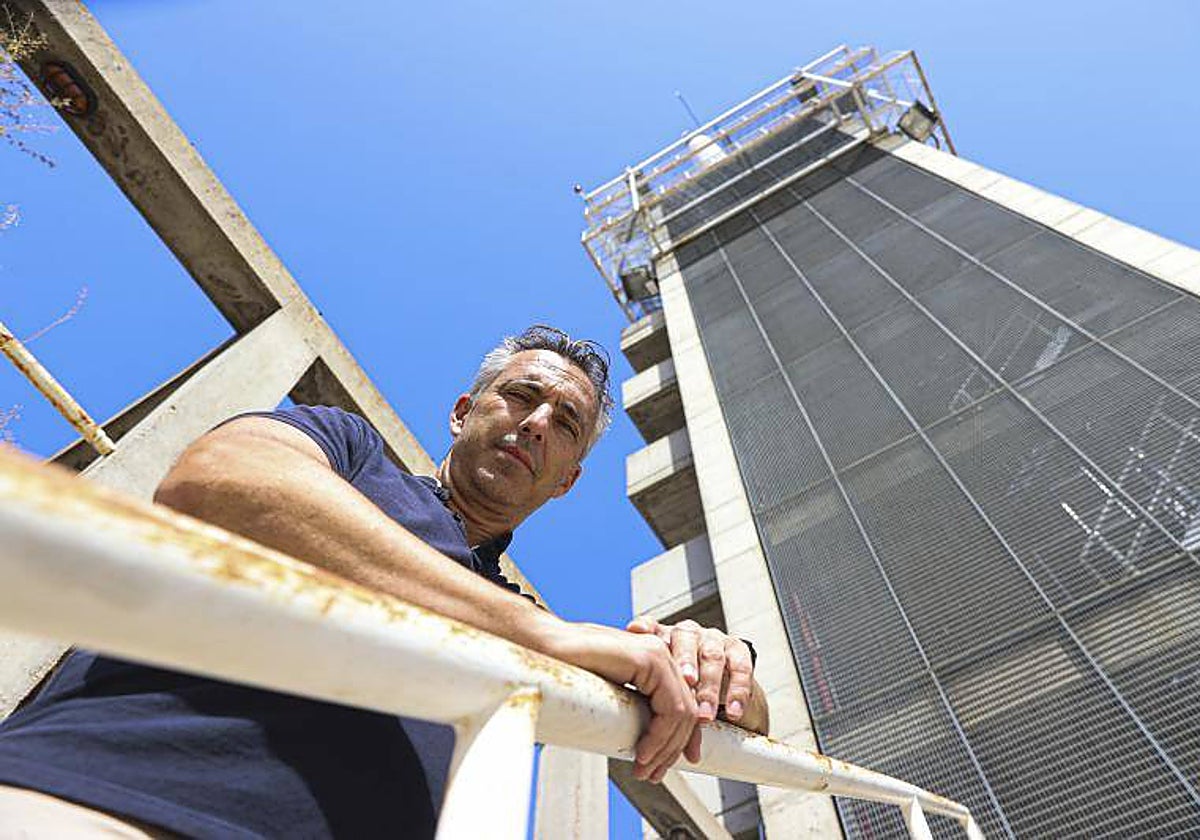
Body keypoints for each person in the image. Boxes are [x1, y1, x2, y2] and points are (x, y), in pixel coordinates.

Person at [0, 325, 768, 838]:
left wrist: (718, 664)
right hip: (100, 800)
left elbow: (743, 733)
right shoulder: (349, 452)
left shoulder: (526, 619)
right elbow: (219, 480)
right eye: (522, 397)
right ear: (465, 412)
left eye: (564, 424)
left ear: (566, 481)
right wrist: (538, 635)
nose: (536, 423)